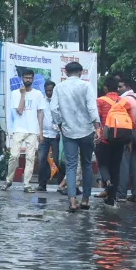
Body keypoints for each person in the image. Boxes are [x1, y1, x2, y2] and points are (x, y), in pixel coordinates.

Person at [52, 61, 101, 212]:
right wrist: (97, 127)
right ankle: (85, 199)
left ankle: (72, 201)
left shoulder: (59, 87)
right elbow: (92, 108)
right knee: (86, 164)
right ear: (80, 72)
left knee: (71, 166)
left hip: (68, 131)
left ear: (66, 73)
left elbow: (54, 109)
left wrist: (60, 125)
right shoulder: (86, 86)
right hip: (86, 131)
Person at [97, 74, 136, 206]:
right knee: (116, 168)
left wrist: (97, 134)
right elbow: (131, 123)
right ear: (117, 88)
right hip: (120, 139)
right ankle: (112, 198)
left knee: (103, 164)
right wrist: (129, 141)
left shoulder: (100, 101)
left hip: (105, 138)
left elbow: (96, 120)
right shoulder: (124, 102)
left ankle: (107, 181)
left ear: (105, 87)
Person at [3, 68, 44, 192]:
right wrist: (23, 94)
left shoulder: (38, 94)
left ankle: (26, 184)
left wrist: (40, 131)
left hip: (33, 130)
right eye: (26, 78)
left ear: (33, 79)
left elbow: (40, 113)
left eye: (30, 78)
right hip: (19, 129)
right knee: (14, 156)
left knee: (30, 157)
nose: (28, 80)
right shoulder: (16, 93)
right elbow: (20, 111)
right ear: (22, 78)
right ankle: (9, 180)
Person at [36, 80, 62, 192]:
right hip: (45, 135)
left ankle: (62, 184)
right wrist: (40, 132)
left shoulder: (60, 101)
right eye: (46, 91)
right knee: (41, 160)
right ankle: (42, 184)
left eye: (50, 90)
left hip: (57, 135)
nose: (48, 93)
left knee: (58, 160)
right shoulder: (42, 100)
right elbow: (40, 116)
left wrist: (60, 132)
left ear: (54, 90)